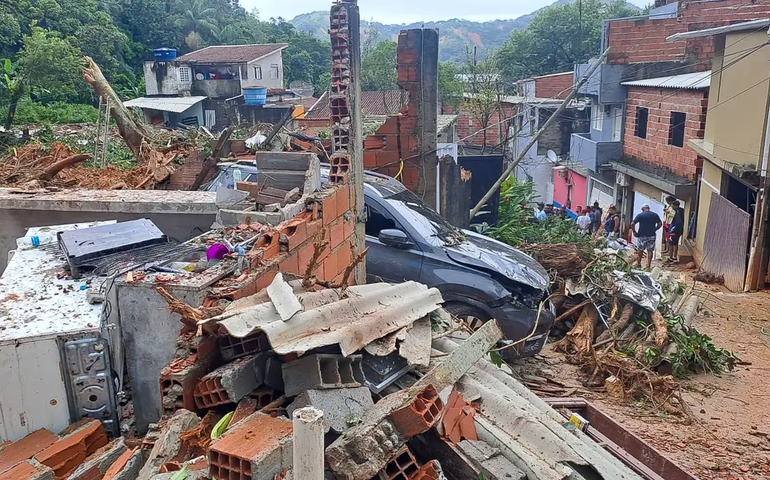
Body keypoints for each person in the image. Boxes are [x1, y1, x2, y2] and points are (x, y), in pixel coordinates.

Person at [632, 203, 663, 270]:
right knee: (650, 250)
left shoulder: (640, 215)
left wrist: (634, 231)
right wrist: (655, 229)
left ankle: (638, 263)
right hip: (652, 235)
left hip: (642, 235)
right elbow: (660, 223)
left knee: (640, 250)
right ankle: (648, 266)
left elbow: (632, 223)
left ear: (643, 209)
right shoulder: (655, 215)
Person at [665, 200, 686, 265]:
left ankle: (673, 258)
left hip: (675, 230)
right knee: (672, 243)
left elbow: (678, 222)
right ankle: (672, 257)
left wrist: (673, 229)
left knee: (673, 243)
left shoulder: (678, 212)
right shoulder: (678, 211)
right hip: (675, 230)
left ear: (675, 205)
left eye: (672, 205)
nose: (671, 206)